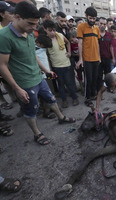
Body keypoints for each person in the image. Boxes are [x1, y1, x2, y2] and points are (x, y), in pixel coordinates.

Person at [0, 1, 76, 145]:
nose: (34, 28)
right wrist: (17, 89)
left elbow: (33, 55)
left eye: (36, 24)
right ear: (17, 17)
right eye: (30, 24)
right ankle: (37, 134)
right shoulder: (3, 36)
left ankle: (61, 117)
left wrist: (46, 71)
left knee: (51, 98)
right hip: (25, 83)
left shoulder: (28, 32)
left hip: (39, 77)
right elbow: (2, 65)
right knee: (31, 110)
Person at [43, 19, 79, 108]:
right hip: (56, 66)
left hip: (66, 64)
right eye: (50, 30)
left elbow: (68, 43)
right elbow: (46, 55)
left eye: (54, 30)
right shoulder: (45, 40)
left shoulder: (60, 35)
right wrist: (49, 68)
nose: (53, 33)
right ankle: (64, 100)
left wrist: (69, 52)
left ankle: (74, 98)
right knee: (61, 84)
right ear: (45, 29)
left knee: (69, 83)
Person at [76, 7, 100, 107]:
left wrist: (99, 57)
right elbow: (80, 43)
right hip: (86, 59)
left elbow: (97, 43)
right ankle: (87, 98)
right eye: (90, 18)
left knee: (94, 78)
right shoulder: (81, 27)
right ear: (86, 16)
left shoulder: (96, 28)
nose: (92, 20)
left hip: (96, 59)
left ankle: (93, 95)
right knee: (88, 80)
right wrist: (80, 59)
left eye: (94, 18)